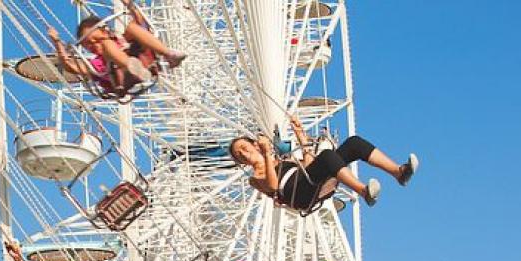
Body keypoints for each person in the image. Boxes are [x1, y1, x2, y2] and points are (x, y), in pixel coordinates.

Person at [229, 114, 418, 210]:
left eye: (244, 148)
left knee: (354, 143)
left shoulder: (282, 160)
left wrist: (300, 134)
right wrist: (267, 156)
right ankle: (363, 191)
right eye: (239, 155)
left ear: (254, 144)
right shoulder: (255, 177)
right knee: (327, 156)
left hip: (308, 180)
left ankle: (398, 172)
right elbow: (272, 185)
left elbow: (309, 164)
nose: (243, 154)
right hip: (300, 194)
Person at [47, 0, 186, 95]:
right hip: (119, 79)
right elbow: (70, 67)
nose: (95, 45)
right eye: (89, 44)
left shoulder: (121, 40)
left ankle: (168, 54)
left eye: (97, 39)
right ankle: (130, 66)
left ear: (106, 31)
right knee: (109, 45)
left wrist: (129, 5)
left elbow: (139, 21)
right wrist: (57, 42)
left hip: (142, 62)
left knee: (132, 27)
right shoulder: (97, 64)